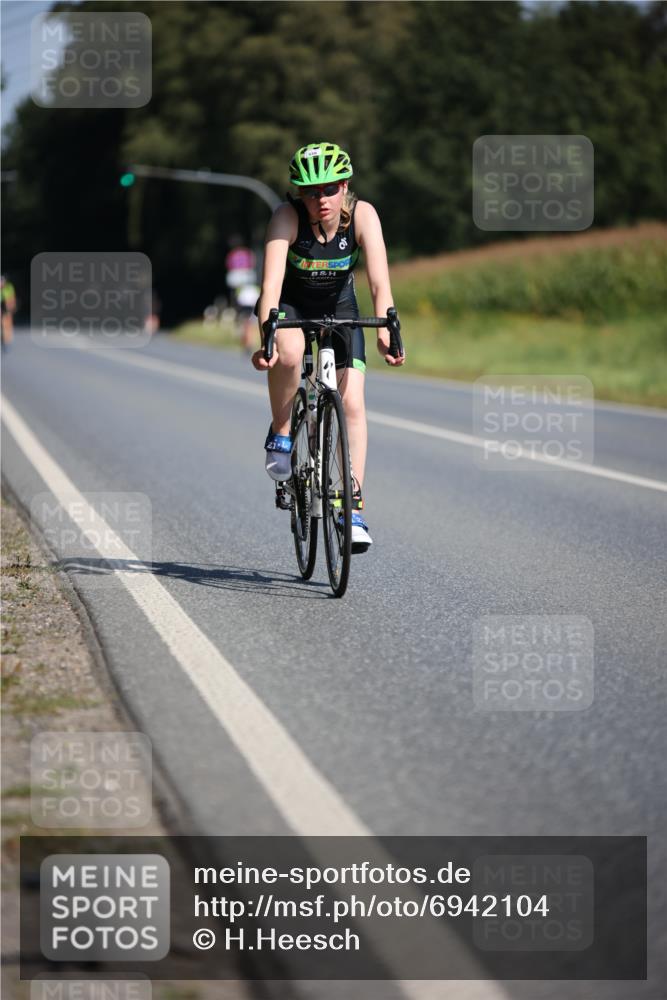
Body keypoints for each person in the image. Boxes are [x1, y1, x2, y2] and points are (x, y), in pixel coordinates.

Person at [252, 141, 405, 551]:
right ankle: (282, 433)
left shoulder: (363, 216)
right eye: (310, 191)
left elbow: (379, 284)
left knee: (352, 402)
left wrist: (386, 329)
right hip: (292, 303)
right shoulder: (286, 217)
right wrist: (267, 332)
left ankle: (351, 507)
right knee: (287, 351)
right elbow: (269, 286)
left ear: (345, 185)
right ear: (299, 194)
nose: (321, 200)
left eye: (330, 189)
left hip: (341, 306)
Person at [1, 275, 17, 350]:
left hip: (6, 307)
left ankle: (6, 340)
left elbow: (12, 298)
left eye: (2, 281)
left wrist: (12, 307)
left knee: (7, 323)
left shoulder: (9, 287)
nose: (1, 283)